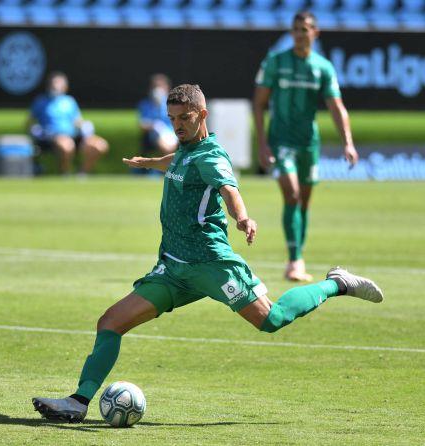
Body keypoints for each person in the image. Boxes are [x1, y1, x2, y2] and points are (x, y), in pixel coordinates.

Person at [32, 84, 382, 423]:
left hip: (211, 264)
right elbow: (177, 161)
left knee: (271, 320)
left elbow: (228, 189)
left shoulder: (212, 156)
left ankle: (337, 284)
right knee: (110, 323)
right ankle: (78, 402)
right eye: (172, 119)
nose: (178, 125)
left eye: (184, 117)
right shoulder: (186, 149)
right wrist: (150, 162)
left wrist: (242, 217)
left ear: (203, 114)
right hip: (173, 270)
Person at [253, 11, 359, 282]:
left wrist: (347, 142)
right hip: (281, 141)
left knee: (303, 203)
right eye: (297, 29)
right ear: (292, 33)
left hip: (308, 143)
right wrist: (263, 143)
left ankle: (298, 255)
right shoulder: (276, 62)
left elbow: (336, 107)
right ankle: (294, 261)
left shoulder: (323, 67)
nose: (301, 33)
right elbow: (259, 103)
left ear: (316, 33)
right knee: (292, 194)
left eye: (307, 28)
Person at [28, 72, 109, 174]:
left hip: (75, 136)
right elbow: (30, 122)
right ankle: (65, 174)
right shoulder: (41, 101)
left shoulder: (70, 101)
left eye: (59, 84)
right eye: (54, 84)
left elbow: (77, 121)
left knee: (100, 145)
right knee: (67, 145)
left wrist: (85, 127)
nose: (56, 87)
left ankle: (82, 173)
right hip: (52, 138)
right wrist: (35, 131)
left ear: (65, 87)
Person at [138, 73, 178, 156]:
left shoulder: (174, 104)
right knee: (165, 147)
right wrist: (154, 125)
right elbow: (142, 124)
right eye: (155, 86)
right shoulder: (145, 104)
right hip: (154, 134)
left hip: (173, 133)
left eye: (160, 86)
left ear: (167, 88)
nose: (158, 89)